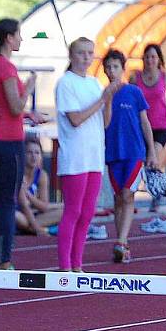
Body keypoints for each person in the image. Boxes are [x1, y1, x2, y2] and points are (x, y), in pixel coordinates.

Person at [0, 18, 47, 269]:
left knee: (3, 200)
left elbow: (10, 109)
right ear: (8, 38)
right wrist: (29, 88)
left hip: (2, 136)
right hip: (8, 140)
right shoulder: (5, 68)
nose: (21, 39)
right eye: (18, 35)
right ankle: (3, 258)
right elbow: (15, 105)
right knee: (8, 201)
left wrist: (29, 115)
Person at [55, 37, 121, 272]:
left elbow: (104, 121)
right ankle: (65, 265)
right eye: (81, 53)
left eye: (90, 53)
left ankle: (77, 263)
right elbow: (75, 119)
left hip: (93, 156)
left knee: (87, 213)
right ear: (72, 56)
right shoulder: (66, 83)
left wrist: (108, 99)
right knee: (73, 211)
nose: (86, 58)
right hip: (75, 157)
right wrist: (102, 98)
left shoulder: (93, 83)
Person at [103, 49, 158, 263]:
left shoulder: (134, 92)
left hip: (134, 152)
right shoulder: (103, 93)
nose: (111, 71)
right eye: (107, 67)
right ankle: (121, 241)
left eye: (115, 67)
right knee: (118, 198)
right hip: (113, 152)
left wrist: (151, 151)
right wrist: (106, 97)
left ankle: (121, 241)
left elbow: (145, 123)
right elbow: (103, 123)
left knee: (128, 195)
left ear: (122, 68)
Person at [131, 43, 166, 234]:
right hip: (142, 124)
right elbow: (129, 96)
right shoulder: (135, 77)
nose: (150, 60)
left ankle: (157, 197)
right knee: (142, 162)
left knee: (155, 159)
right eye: (147, 57)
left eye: (153, 57)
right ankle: (135, 193)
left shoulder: (165, 77)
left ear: (158, 59)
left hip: (161, 125)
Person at [15, 139, 63, 235]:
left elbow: (43, 206)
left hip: (33, 214)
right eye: (29, 152)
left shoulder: (42, 175)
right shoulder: (17, 173)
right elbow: (24, 206)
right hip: (17, 213)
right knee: (16, 216)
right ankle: (37, 228)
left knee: (65, 212)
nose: (33, 156)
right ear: (23, 155)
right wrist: (39, 230)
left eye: (37, 153)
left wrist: (29, 195)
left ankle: (28, 228)